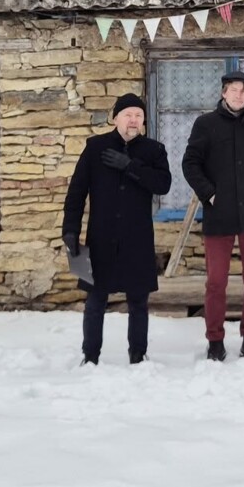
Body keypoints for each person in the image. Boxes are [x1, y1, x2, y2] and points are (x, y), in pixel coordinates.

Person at [63, 93, 172, 366]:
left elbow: (163, 184)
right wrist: (70, 229)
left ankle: (138, 354)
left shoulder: (154, 150)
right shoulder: (95, 147)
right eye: (128, 115)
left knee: (138, 301)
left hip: (137, 238)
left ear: (143, 121)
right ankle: (90, 356)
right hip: (101, 236)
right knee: (95, 299)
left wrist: (130, 166)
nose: (133, 120)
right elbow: (76, 192)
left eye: (138, 116)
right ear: (115, 119)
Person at [181, 69, 244, 361]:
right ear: (224, 92)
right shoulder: (206, 124)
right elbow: (191, 163)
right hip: (219, 214)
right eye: (234, 89)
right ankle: (215, 341)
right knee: (216, 283)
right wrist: (209, 193)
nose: (239, 95)